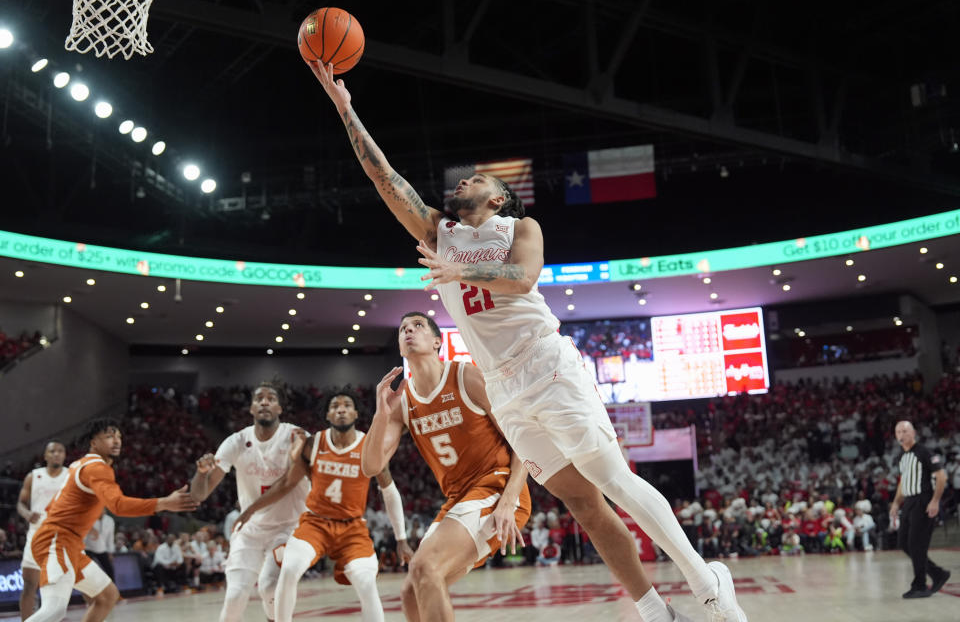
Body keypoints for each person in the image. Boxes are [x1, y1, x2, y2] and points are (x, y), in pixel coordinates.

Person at [309, 59, 745, 622]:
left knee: (612, 479)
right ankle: (655, 611)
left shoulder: (519, 228)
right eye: (464, 179)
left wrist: (459, 272)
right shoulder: (439, 230)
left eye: (479, 180)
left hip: (544, 364)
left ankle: (705, 579)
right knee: (583, 503)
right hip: (506, 388)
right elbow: (385, 178)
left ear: (498, 200)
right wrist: (347, 110)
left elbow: (523, 279)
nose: (464, 180)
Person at [363, 311, 533, 622]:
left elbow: (522, 439)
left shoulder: (466, 376)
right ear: (399, 345)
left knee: (425, 567)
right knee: (413, 591)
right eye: (402, 329)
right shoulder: (402, 401)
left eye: (417, 326)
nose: (408, 331)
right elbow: (372, 466)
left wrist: (509, 500)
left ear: (437, 341)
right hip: (458, 500)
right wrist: (381, 414)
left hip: (498, 490)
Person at [234, 392, 412, 622]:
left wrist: (401, 539)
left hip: (352, 528)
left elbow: (389, 491)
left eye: (347, 405)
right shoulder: (314, 443)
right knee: (289, 570)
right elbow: (287, 483)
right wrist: (250, 510)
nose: (341, 409)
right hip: (315, 523)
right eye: (335, 406)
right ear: (328, 414)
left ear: (355, 414)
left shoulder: (369, 445)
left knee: (367, 583)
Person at [24, 417, 195, 622]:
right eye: (109, 436)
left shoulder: (79, 464)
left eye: (118, 436)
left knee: (107, 596)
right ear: (93, 442)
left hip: (67, 543)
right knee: (54, 610)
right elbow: (118, 506)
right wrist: (163, 503)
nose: (116, 441)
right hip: (57, 541)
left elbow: (56, 505)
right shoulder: (97, 468)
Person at [190, 382, 310, 622]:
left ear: (279, 409)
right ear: (251, 409)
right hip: (251, 530)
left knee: (269, 588)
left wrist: (250, 510)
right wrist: (201, 474)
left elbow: (288, 482)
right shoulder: (236, 441)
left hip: (290, 527)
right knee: (234, 595)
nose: (264, 402)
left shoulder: (297, 436)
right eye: (259, 399)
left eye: (271, 398)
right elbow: (199, 495)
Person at [889, 420, 951, 598]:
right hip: (909, 501)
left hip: (923, 500)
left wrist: (935, 501)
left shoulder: (924, 452)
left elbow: (941, 477)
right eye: (898, 432)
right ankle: (938, 574)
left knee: (917, 545)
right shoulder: (902, 456)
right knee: (903, 543)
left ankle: (920, 585)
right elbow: (903, 482)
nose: (901, 435)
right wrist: (895, 502)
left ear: (913, 433)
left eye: (905, 431)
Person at [17, 440, 68, 620]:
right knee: (29, 585)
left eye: (60, 451)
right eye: (52, 451)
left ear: (64, 455)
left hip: (62, 537)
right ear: (45, 455)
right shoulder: (34, 476)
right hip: (36, 534)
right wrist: (27, 514)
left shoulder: (71, 476)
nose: (56, 454)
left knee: (64, 587)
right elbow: (21, 503)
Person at [83, 509, 115, 581]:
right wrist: (90, 529)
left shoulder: (110, 520)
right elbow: (82, 532)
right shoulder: (89, 517)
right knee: (87, 571)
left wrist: (110, 552)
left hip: (102, 549)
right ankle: (88, 590)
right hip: (88, 548)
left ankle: (113, 589)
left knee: (109, 570)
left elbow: (110, 537)